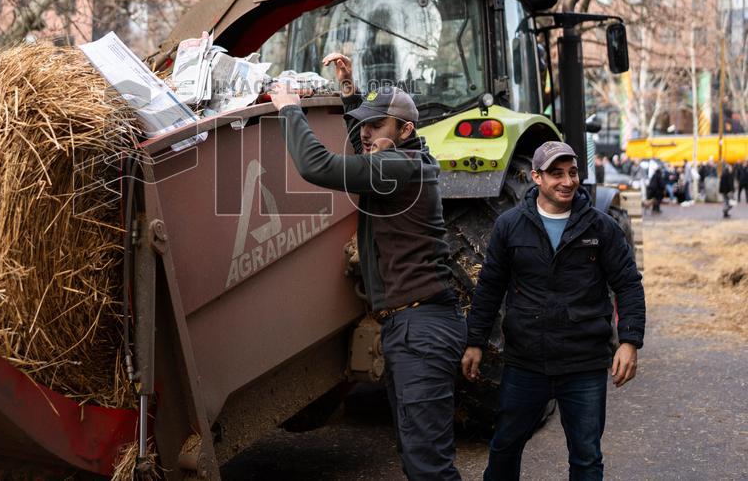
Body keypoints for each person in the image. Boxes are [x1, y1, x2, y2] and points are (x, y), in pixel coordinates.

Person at [269, 53, 465, 480]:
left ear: (406, 130)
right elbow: (368, 151)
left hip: (421, 330)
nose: (366, 134)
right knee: (417, 454)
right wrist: (349, 93)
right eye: (364, 125)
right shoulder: (408, 158)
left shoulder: (398, 167)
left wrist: (288, 109)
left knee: (429, 464)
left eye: (376, 126)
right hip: (412, 325)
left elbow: (316, 166)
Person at [461, 141, 645, 481]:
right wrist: (474, 341)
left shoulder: (601, 227)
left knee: (587, 457)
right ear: (536, 177)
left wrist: (629, 342)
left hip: (584, 361)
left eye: (572, 173)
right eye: (556, 173)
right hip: (527, 361)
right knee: (505, 446)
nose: (567, 181)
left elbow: (628, 283)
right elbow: (489, 287)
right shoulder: (510, 225)